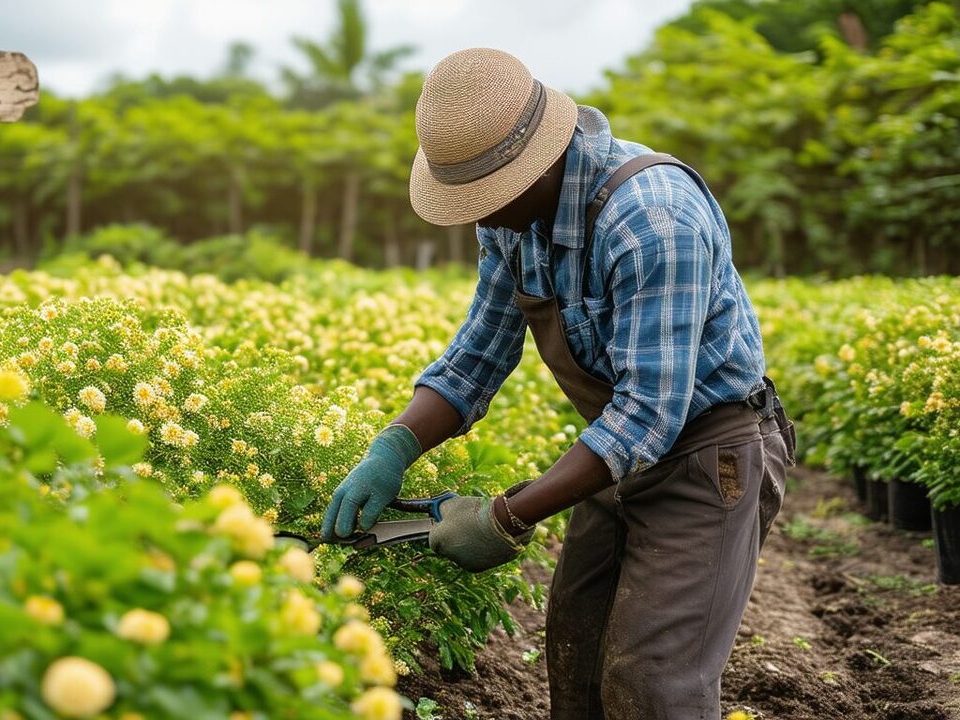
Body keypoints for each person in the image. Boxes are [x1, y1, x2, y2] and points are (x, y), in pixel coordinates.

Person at [319, 48, 796, 719]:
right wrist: (392, 449)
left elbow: (649, 415)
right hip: (615, 457)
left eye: (488, 197)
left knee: (655, 685)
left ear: (541, 161)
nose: (479, 216)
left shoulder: (653, 220)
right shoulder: (514, 222)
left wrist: (505, 517)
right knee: (577, 658)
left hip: (704, 456)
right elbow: (476, 356)